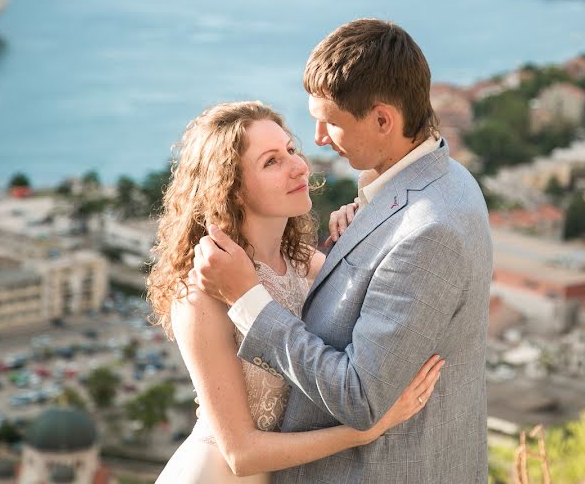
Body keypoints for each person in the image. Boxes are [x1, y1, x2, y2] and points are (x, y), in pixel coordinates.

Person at [193, 19, 494, 482]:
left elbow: (360, 397)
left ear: (382, 120)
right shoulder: (445, 183)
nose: (316, 141)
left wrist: (247, 300)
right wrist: (352, 235)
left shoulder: (427, 230)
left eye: (330, 121)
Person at [148, 102, 444, 483]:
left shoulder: (309, 265)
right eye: (271, 162)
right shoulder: (202, 294)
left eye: (290, 150)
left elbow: (370, 315)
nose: (299, 166)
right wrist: (367, 429)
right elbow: (241, 454)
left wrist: (358, 232)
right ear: (232, 189)